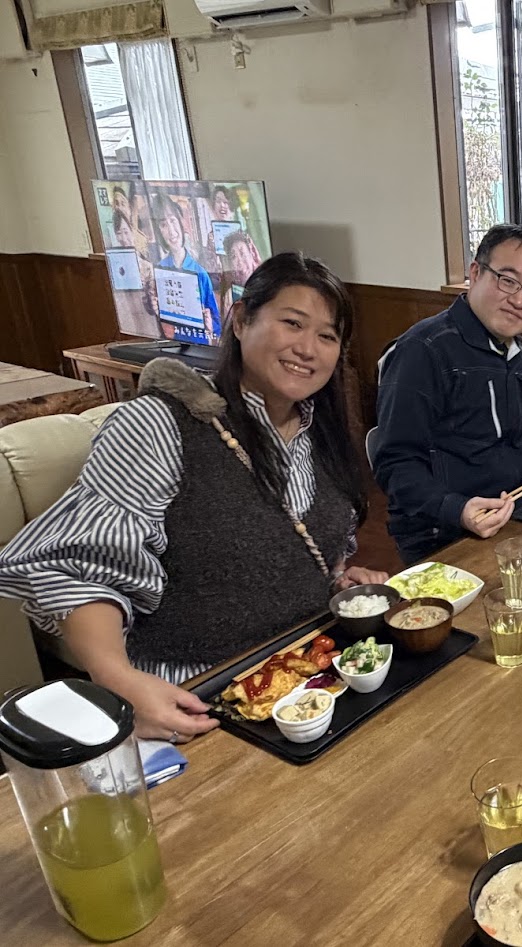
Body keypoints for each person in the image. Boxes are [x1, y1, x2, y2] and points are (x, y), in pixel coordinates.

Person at [0, 252, 388, 743]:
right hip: (195, 697)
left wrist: (336, 579)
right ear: (241, 320)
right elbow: (79, 568)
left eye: (327, 336)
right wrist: (118, 681)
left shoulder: (321, 434)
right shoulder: (158, 425)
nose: (308, 348)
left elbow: (300, 544)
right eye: (293, 323)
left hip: (309, 673)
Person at [374, 224, 522, 563]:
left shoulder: (520, 354)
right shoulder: (424, 350)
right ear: (476, 273)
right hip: (443, 533)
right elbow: (395, 463)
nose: (519, 300)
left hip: (518, 512)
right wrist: (458, 509)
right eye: (507, 280)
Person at [153, 193, 221, 343]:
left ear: (180, 221)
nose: (171, 231)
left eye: (173, 221)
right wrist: (158, 311)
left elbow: (217, 324)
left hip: (201, 347)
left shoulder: (200, 272)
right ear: (159, 231)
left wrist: (209, 325)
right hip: (172, 346)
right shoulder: (160, 271)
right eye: (163, 225)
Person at [111, 213, 161, 338]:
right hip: (126, 320)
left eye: (126, 232)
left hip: (147, 321)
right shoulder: (114, 265)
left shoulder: (146, 265)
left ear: (132, 232)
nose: (124, 238)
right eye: (119, 233)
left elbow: (154, 303)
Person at [221, 230, 263, 318]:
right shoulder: (230, 297)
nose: (239, 262)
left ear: (252, 255)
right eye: (233, 257)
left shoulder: (268, 288)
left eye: (242, 253)